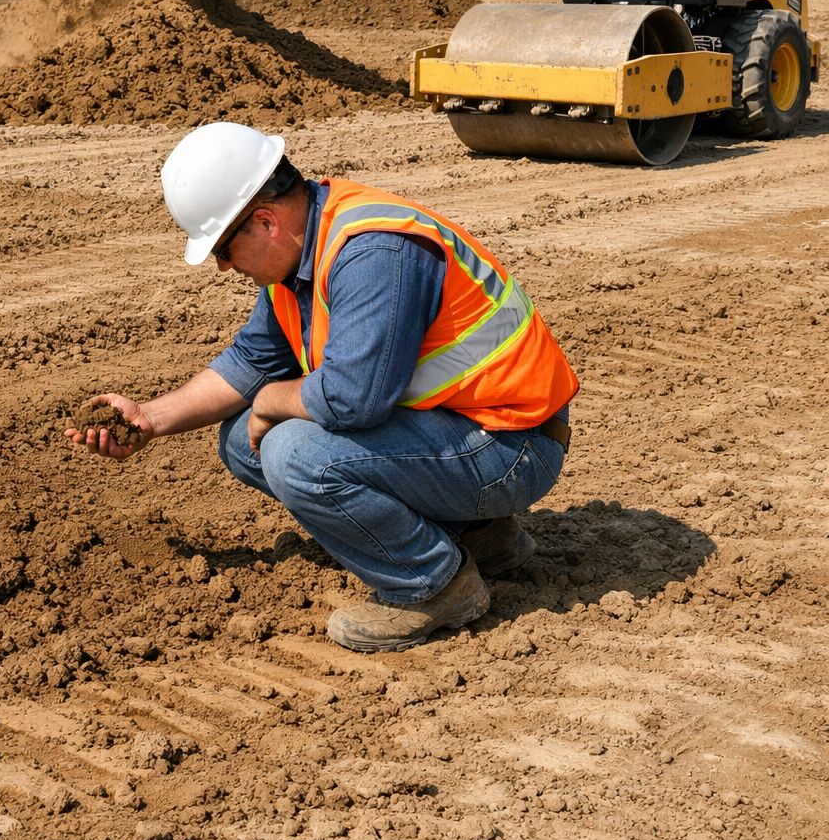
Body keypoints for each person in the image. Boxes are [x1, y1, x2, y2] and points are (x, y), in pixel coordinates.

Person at [66, 122, 578, 653]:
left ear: (263, 221)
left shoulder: (373, 254)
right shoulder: (304, 253)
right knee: (247, 438)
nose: (222, 266)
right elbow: (251, 362)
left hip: (514, 446)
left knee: (292, 450)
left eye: (222, 248)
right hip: (461, 431)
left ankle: (432, 585)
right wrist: (148, 418)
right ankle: (478, 536)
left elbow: (353, 399)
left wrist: (273, 402)